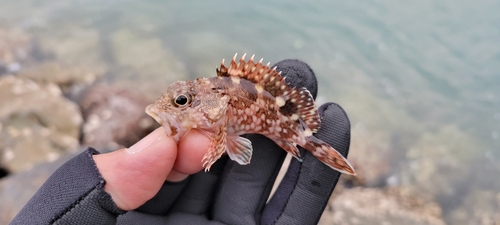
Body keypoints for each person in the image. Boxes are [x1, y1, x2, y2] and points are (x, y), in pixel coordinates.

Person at [10, 59, 352, 225]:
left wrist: (224, 142)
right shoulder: (214, 101)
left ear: (215, 104)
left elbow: (229, 139)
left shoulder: (221, 101)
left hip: (288, 130)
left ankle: (318, 149)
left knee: (309, 144)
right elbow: (231, 141)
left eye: (183, 103)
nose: (172, 109)